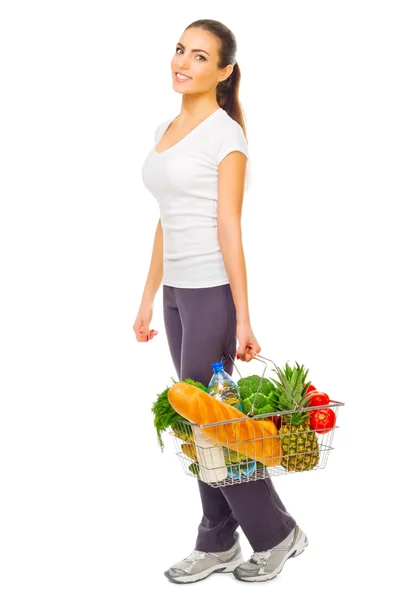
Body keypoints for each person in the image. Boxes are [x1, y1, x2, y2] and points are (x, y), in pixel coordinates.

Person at [135, 19, 308, 584]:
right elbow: (165, 223)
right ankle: (227, 538)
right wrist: (147, 298)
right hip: (178, 297)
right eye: (180, 50)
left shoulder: (225, 136)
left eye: (201, 56)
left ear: (225, 71)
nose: (183, 62)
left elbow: (229, 227)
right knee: (201, 422)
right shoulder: (165, 128)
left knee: (212, 426)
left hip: (211, 295)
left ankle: (266, 535)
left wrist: (243, 316)